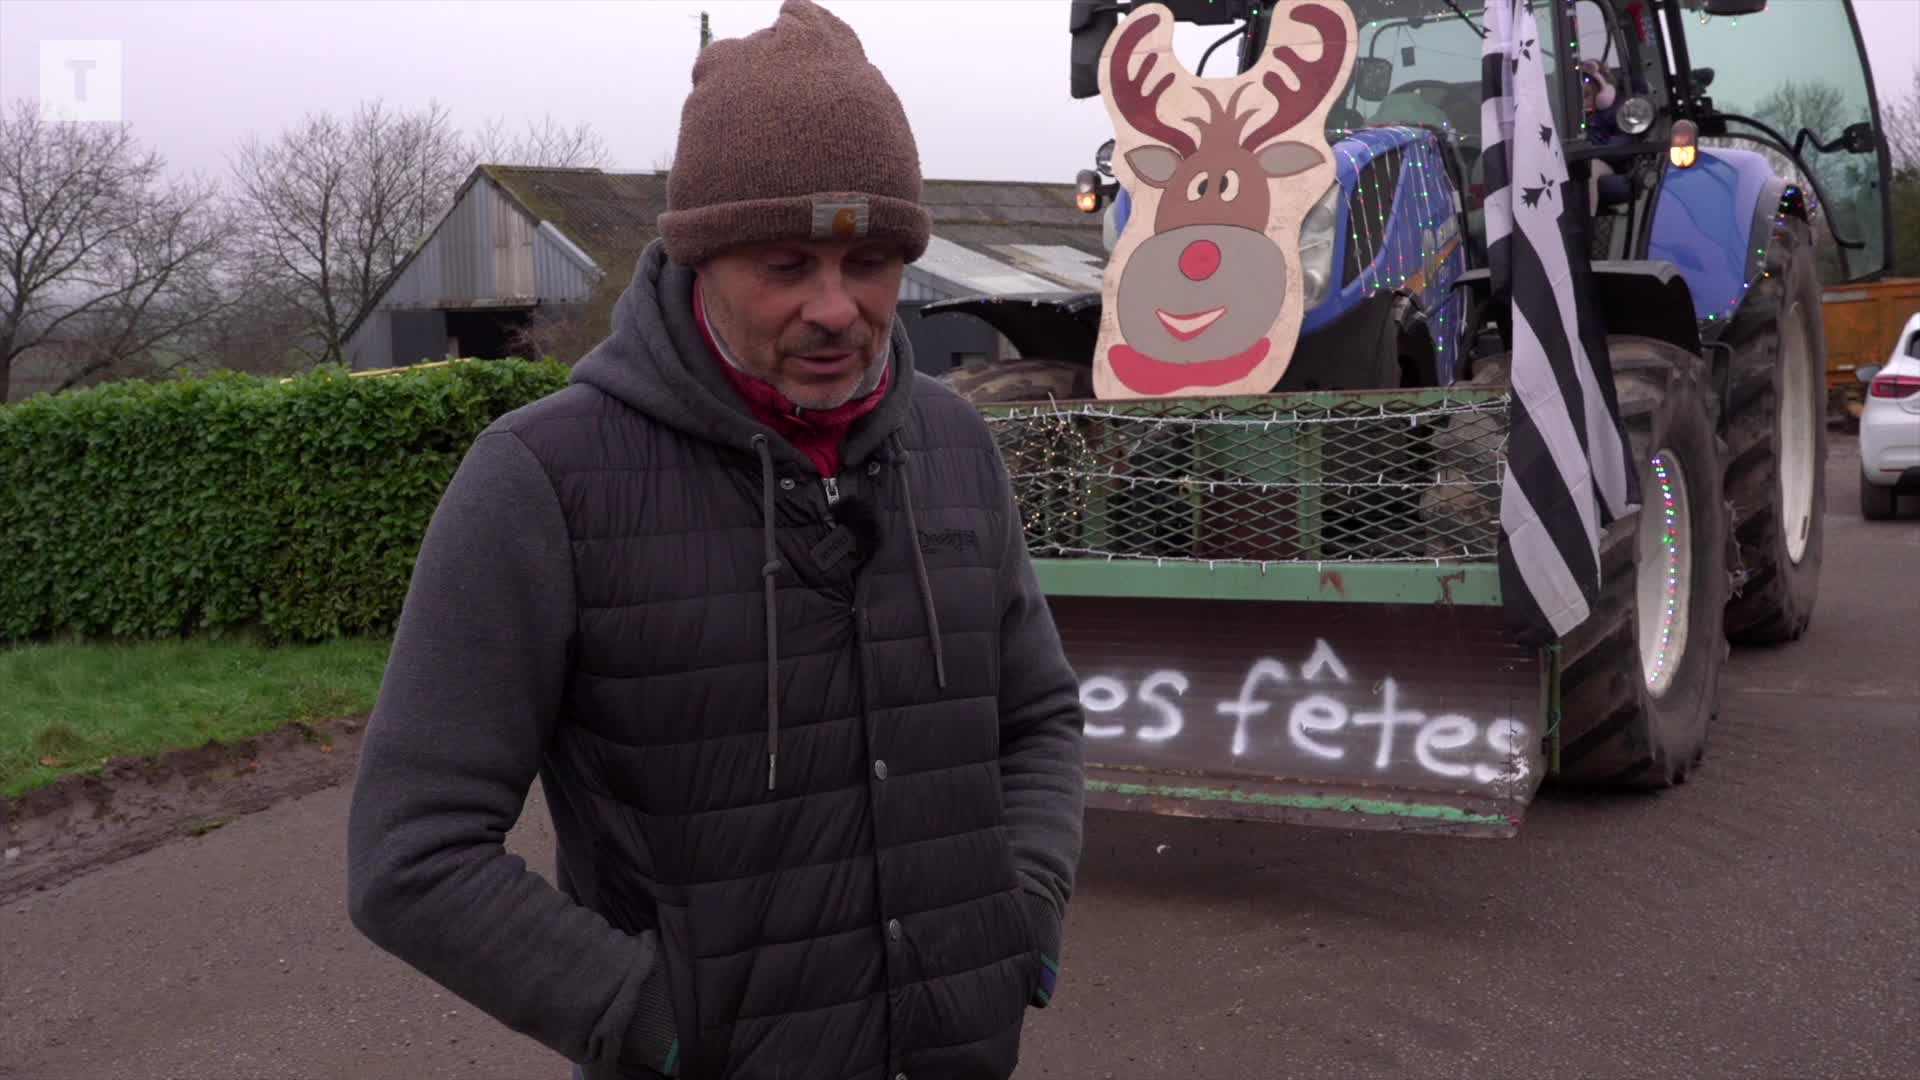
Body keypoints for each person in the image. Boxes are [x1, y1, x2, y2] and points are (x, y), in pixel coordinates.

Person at [343, 2, 1088, 1078]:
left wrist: (1022, 922)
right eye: (785, 266)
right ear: (699, 258)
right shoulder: (544, 481)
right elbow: (410, 856)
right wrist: (666, 1023)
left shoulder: (958, 444)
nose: (837, 309)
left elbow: (1040, 716)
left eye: (872, 261)